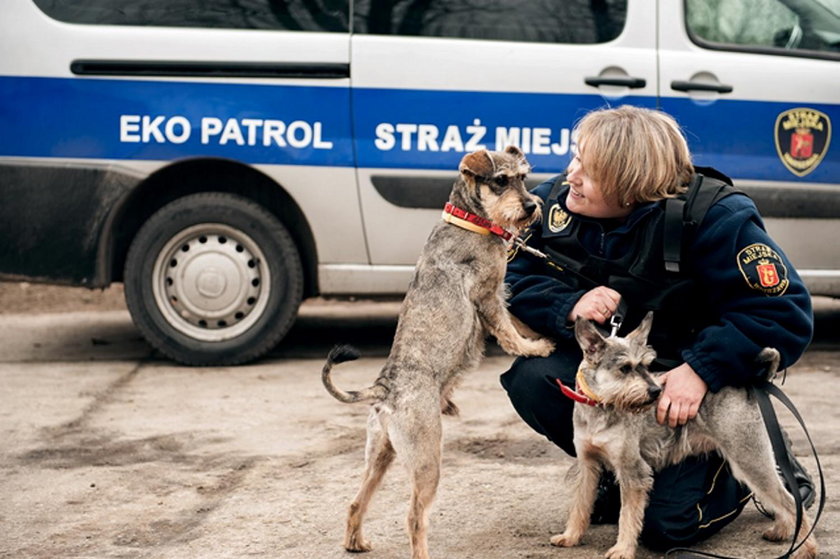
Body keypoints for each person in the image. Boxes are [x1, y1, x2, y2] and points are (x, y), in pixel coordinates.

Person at [501, 105, 815, 550]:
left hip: (696, 392)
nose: (570, 175)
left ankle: (740, 466)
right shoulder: (557, 204)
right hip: (619, 369)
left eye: (588, 171)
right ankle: (617, 469)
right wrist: (568, 305)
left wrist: (701, 370)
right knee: (532, 378)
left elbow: (783, 314)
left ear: (631, 187)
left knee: (666, 530)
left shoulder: (714, 217)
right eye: (575, 158)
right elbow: (508, 278)